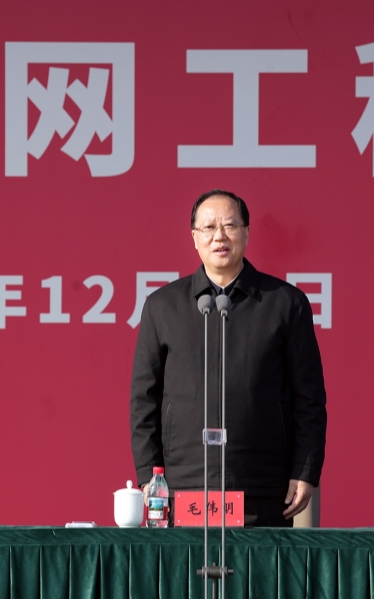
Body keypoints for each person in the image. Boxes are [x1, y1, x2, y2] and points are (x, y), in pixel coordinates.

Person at [130, 189, 327, 527]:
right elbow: (144, 399)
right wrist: (151, 476)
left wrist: (304, 471)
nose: (219, 236)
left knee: (259, 565)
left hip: (263, 485)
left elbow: (308, 399)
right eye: (208, 227)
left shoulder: (285, 304)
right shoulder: (162, 307)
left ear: (247, 233)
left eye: (230, 226)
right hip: (184, 485)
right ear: (194, 238)